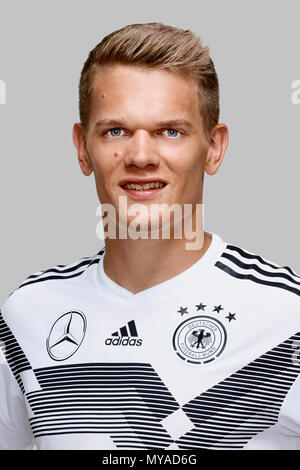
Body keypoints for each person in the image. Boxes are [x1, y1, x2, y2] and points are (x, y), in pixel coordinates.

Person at [0, 22, 299, 451]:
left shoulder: (287, 316)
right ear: (83, 148)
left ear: (214, 148)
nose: (141, 156)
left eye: (170, 131)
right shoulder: (28, 313)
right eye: (115, 131)